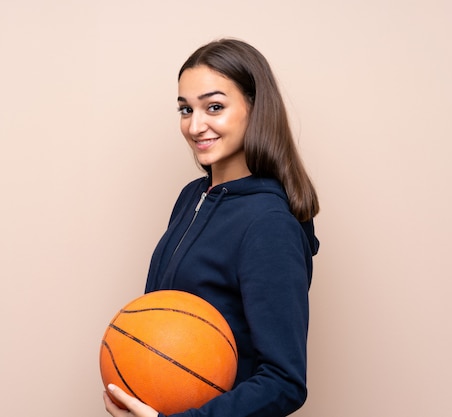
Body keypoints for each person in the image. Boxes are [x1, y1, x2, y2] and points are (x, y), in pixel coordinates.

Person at [103, 38, 320, 417]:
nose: (195, 125)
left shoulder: (269, 225)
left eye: (214, 107)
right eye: (185, 109)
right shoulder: (192, 196)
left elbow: (284, 382)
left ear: (254, 108)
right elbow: (164, 325)